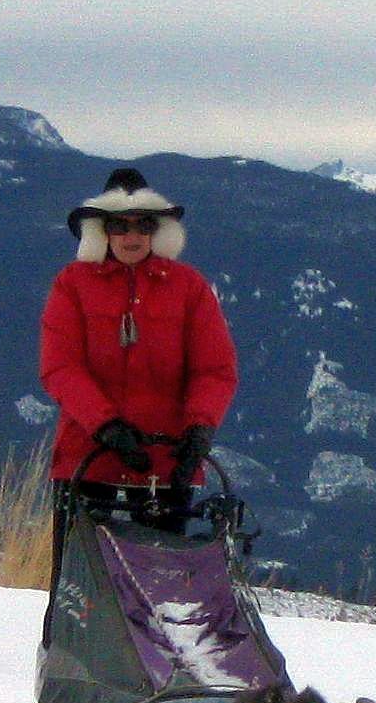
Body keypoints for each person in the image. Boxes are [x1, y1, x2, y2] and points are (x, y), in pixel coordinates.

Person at [38, 165, 239, 575]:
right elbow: (61, 367)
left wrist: (200, 429)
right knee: (79, 583)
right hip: (88, 458)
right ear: (101, 232)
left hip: (167, 461)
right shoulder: (72, 284)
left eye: (143, 226)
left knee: (164, 586)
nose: (132, 237)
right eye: (119, 226)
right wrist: (106, 426)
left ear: (156, 231)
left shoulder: (190, 287)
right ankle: (66, 642)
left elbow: (214, 369)